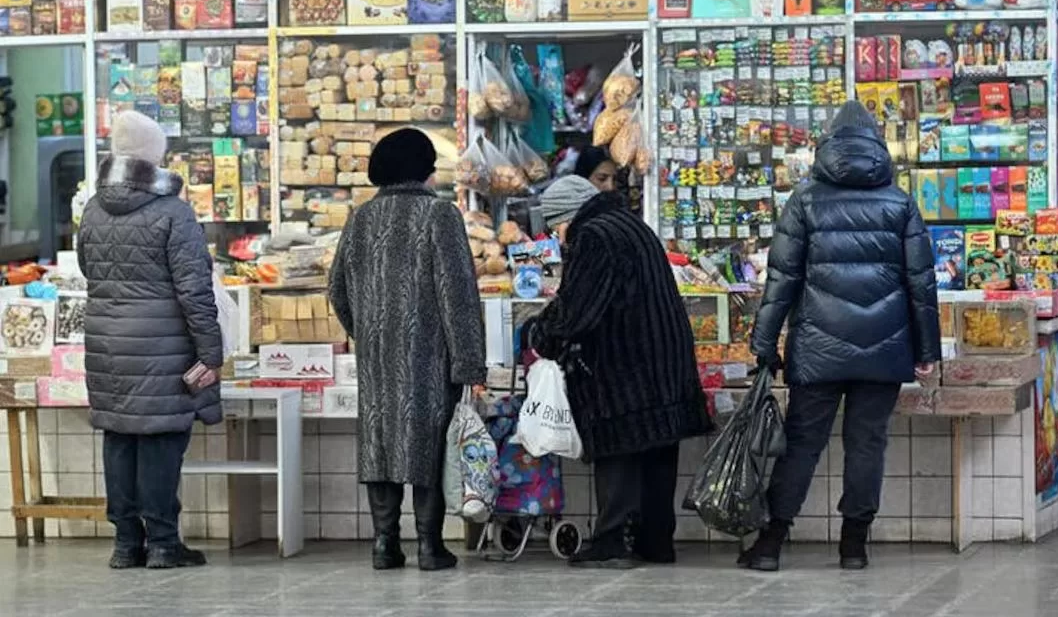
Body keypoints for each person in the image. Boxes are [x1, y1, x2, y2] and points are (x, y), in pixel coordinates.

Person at [746, 101, 940, 572]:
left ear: (827, 145)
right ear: (877, 146)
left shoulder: (805, 199)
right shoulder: (900, 202)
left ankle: (770, 544)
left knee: (801, 444)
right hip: (884, 349)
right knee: (867, 445)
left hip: (818, 349)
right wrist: (928, 349)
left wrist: (763, 343)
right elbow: (921, 283)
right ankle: (854, 546)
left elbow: (781, 280)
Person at [527, 175, 711, 569]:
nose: (559, 239)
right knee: (658, 448)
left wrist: (541, 335)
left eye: (557, 227)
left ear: (568, 217)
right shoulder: (631, 224)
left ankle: (613, 539)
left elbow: (578, 309)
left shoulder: (594, 236)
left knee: (620, 447)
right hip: (664, 360)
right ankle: (656, 541)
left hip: (626, 366)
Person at [328, 128, 486, 572]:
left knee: (379, 444)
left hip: (377, 358)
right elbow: (458, 295)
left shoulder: (360, 218)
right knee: (428, 444)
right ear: (423, 169)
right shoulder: (440, 216)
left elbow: (337, 290)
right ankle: (431, 547)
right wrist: (469, 363)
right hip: (429, 356)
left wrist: (368, 332)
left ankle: (385, 544)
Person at [78, 111, 222, 570]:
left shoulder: (93, 209)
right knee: (160, 439)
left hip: (107, 346)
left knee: (119, 439)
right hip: (162, 347)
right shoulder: (174, 213)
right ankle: (162, 542)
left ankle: (125, 544)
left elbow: (87, 268)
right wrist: (211, 351)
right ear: (154, 156)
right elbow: (194, 290)